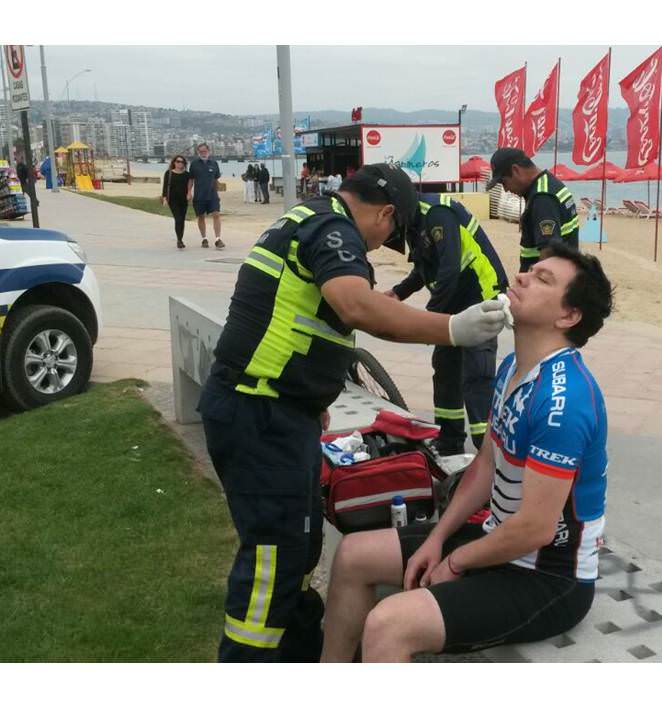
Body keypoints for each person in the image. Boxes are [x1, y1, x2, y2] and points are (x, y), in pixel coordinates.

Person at [198, 163, 509, 662]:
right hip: (261, 414)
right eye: (391, 233)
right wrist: (452, 329)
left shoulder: (306, 218)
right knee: (274, 555)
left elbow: (293, 318)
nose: (382, 244)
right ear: (385, 214)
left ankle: (296, 650)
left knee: (299, 545)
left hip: (279, 409)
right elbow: (355, 307)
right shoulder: (333, 228)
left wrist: (311, 398)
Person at [320, 242, 613, 662]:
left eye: (542, 279)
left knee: (389, 624)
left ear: (568, 316)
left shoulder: (562, 402)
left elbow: (535, 529)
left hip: (549, 575)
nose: (522, 276)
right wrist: (437, 538)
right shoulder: (514, 367)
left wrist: (455, 562)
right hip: (500, 539)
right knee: (353, 555)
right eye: (530, 269)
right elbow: (485, 464)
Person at [386, 193, 508, 455]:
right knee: (444, 369)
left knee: (477, 374)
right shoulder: (414, 222)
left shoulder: (437, 213)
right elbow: (425, 267)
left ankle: (487, 450)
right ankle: (449, 441)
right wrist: (397, 293)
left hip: (480, 296)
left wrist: (430, 317)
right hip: (452, 301)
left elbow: (450, 267)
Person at [486, 147, 580, 272]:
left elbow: (549, 251)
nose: (506, 189)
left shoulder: (542, 198)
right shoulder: (549, 184)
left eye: (504, 182)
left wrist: (534, 281)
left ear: (516, 170)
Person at [187, 143, 224, 249]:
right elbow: (191, 179)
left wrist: (217, 192)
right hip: (199, 195)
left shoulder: (214, 164)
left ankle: (218, 239)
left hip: (212, 195)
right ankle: (204, 238)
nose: (203, 153)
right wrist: (189, 192)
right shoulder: (194, 164)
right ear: (198, 152)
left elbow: (216, 179)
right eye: (200, 151)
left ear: (208, 151)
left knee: (216, 214)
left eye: (204, 151)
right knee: (201, 216)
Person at [162, 155, 190, 250]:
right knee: (178, 219)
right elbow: (165, 186)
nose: (180, 163)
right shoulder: (169, 173)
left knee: (182, 220)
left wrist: (189, 194)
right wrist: (164, 198)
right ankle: (179, 240)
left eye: (182, 162)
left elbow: (190, 184)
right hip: (173, 200)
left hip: (183, 200)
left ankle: (180, 239)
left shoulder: (187, 174)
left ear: (184, 164)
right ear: (174, 162)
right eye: (178, 161)